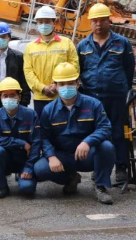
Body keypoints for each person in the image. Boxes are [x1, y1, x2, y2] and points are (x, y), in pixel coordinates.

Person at [33, 62, 115, 205]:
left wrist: (87, 142)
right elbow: (44, 137)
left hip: (87, 155)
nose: (66, 87)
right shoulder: (48, 110)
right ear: (55, 86)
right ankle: (71, 178)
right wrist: (51, 157)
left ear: (77, 84)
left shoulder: (93, 104)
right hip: (63, 155)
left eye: (70, 83)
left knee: (107, 147)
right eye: (62, 84)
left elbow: (105, 128)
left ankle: (100, 185)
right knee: (40, 169)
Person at [77, 3, 135, 183]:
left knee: (118, 132)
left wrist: (122, 88)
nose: (98, 24)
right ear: (90, 23)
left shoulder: (122, 43)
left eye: (102, 20)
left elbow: (128, 68)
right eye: (95, 21)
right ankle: (99, 168)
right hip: (92, 98)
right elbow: (79, 69)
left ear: (109, 21)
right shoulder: (82, 45)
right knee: (95, 133)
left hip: (116, 96)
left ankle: (121, 167)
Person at [0, 78, 40, 198]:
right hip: (6, 158)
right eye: (5, 95)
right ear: (0, 98)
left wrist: (29, 168)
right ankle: (2, 186)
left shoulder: (30, 115)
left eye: (12, 95)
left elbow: (36, 143)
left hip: (24, 159)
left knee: (27, 189)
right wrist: (21, 143)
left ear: (19, 97)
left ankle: (22, 174)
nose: (9, 99)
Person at [23, 5, 79, 117]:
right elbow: (28, 72)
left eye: (47, 21)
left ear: (54, 23)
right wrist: (42, 88)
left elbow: (74, 66)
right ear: (37, 24)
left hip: (63, 95)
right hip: (40, 97)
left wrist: (57, 85)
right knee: (43, 129)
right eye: (40, 22)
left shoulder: (66, 43)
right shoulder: (30, 47)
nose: (44, 25)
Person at [0, 22, 30, 111]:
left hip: (14, 98)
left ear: (9, 38)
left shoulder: (18, 57)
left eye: (3, 37)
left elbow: (24, 80)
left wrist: (24, 101)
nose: (0, 39)